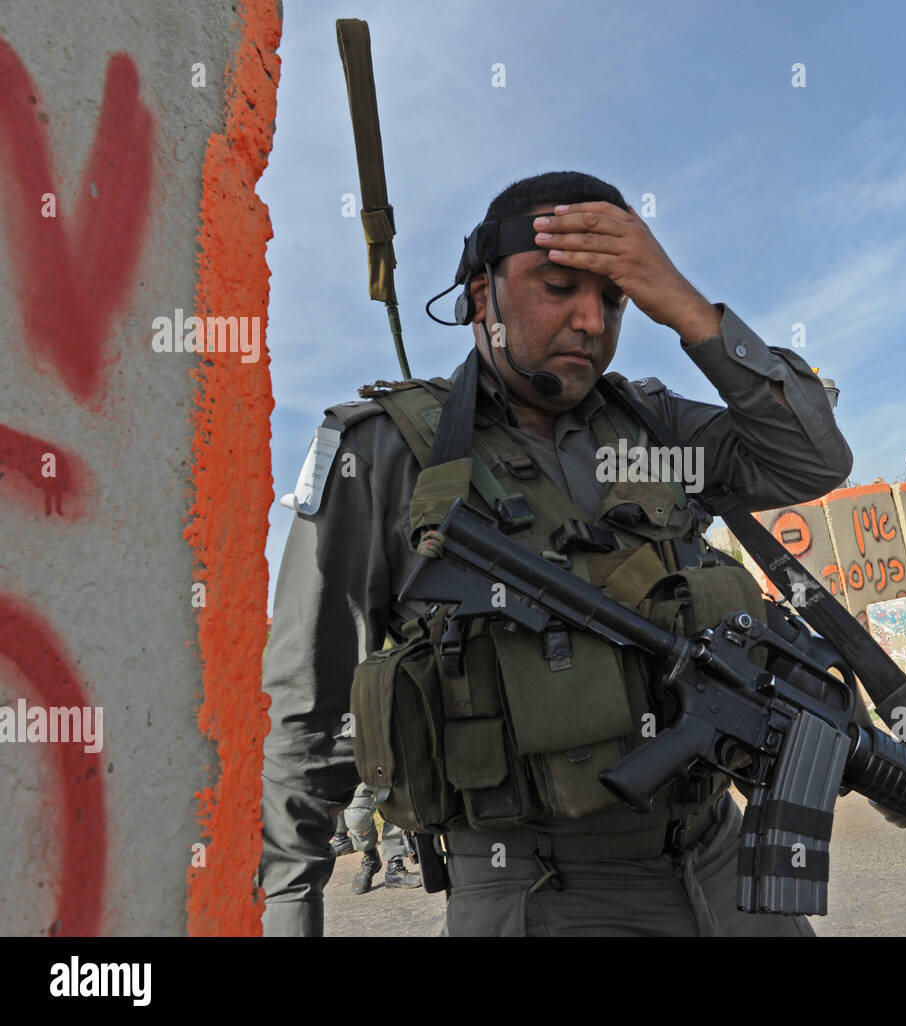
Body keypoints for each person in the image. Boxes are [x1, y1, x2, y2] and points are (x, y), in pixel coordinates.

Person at [258, 171, 855, 936]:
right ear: (482, 297)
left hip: (723, 865)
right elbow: (308, 705)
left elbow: (811, 460)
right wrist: (285, 903)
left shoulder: (655, 427)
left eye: (613, 297)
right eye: (559, 286)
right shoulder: (382, 456)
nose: (590, 320)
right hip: (537, 889)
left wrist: (682, 304)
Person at [336, 782, 423, 893]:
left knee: (396, 801)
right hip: (360, 768)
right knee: (356, 816)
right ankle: (370, 858)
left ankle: (394, 867)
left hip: (391, 767)